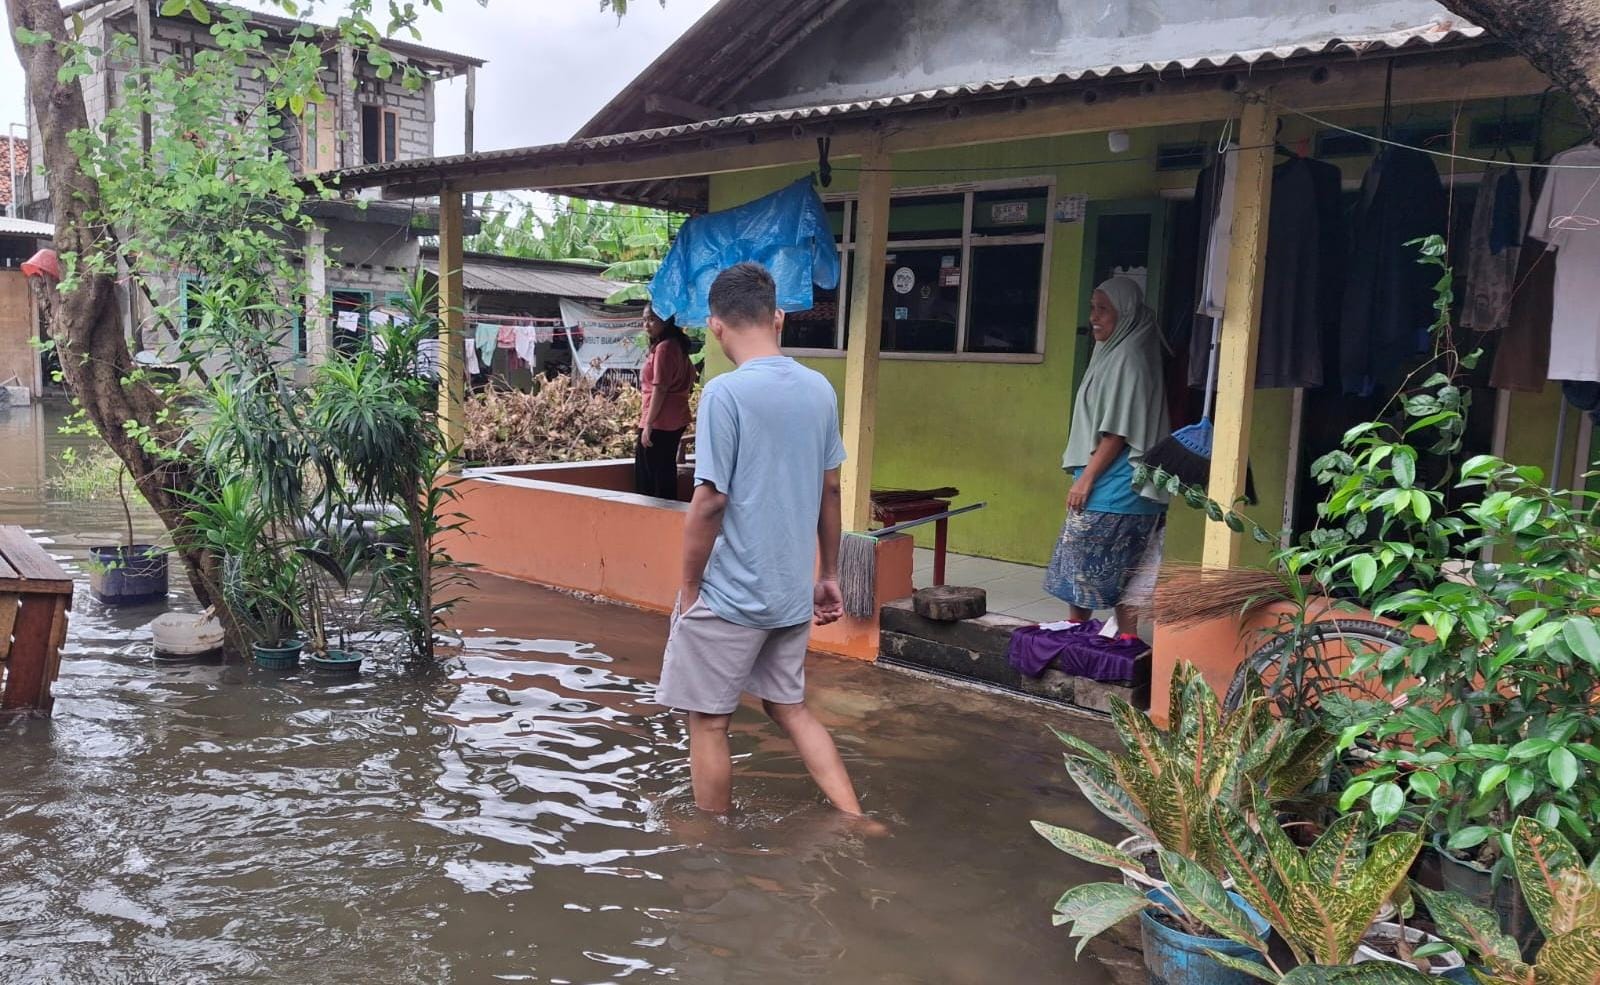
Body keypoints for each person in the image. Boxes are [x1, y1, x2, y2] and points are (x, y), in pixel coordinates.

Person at [655, 262, 865, 817]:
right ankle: (856, 817)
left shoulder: (727, 394)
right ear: (778, 318)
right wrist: (828, 575)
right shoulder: (819, 389)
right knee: (788, 706)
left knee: (708, 720)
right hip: (789, 591)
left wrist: (688, 587)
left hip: (731, 594)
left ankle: (710, 843)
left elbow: (711, 501)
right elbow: (831, 489)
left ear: (716, 326)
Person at [1045, 276, 1170, 635]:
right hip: (1126, 489)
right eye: (1092, 308)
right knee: (1130, 568)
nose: (1094, 317)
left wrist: (1086, 479)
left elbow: (1117, 432)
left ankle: (1079, 632)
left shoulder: (1129, 357)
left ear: (1126, 313)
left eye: (1104, 310)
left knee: (1085, 561)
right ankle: (1123, 640)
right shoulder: (1118, 347)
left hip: (1114, 486)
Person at [634, 305, 697, 499]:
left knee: (650, 476)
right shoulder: (677, 346)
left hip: (661, 420)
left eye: (652, 319)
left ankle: (652, 518)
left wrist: (649, 424)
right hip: (674, 417)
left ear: (667, 320)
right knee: (664, 470)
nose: (647, 325)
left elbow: (659, 387)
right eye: (644, 320)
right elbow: (691, 376)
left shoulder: (665, 347)